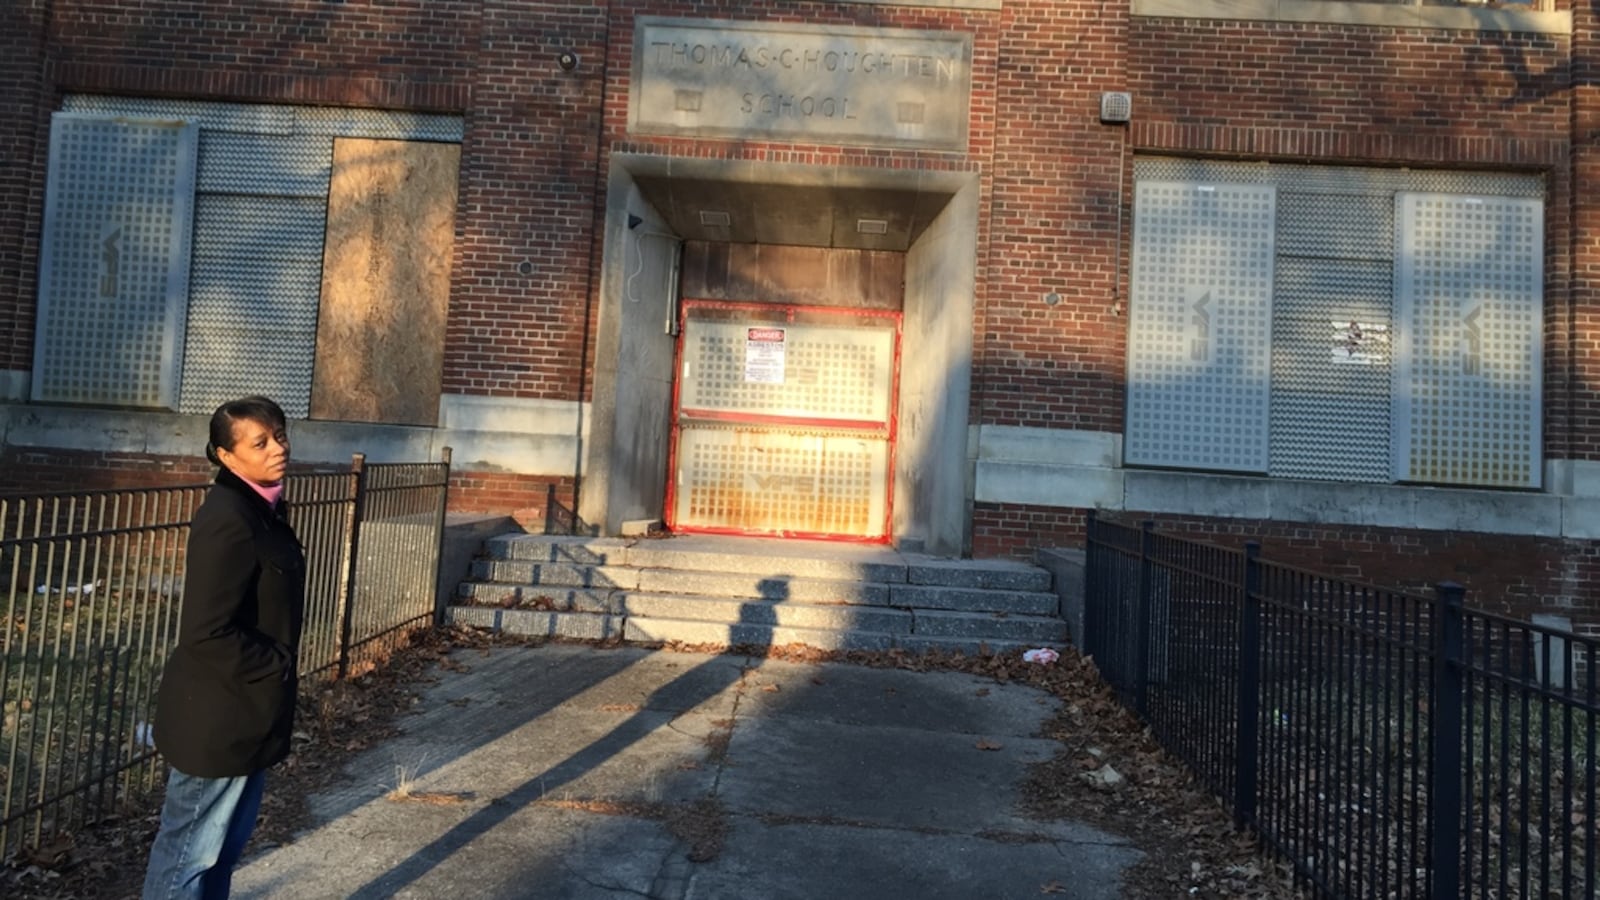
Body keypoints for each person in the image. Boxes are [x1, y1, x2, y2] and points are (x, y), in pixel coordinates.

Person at [143, 396, 305, 900]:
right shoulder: (229, 517)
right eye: (260, 442)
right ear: (226, 457)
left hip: (249, 717)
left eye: (279, 434)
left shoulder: (264, 508)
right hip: (216, 721)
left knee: (220, 856)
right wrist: (278, 665)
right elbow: (205, 631)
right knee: (187, 860)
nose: (277, 448)